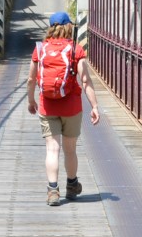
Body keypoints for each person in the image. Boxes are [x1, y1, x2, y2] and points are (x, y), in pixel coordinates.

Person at [27, 11, 101, 205]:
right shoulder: (76, 49)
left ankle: (52, 191)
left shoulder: (40, 49)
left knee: (52, 149)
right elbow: (86, 81)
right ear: (69, 26)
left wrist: (31, 101)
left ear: (50, 28)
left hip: (47, 105)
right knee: (70, 150)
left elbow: (31, 79)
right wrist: (94, 106)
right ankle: (71, 184)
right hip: (72, 107)